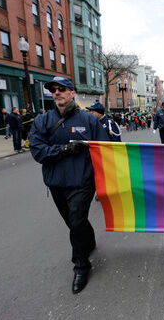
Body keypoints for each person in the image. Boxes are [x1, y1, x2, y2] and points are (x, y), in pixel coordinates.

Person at [29, 76, 109, 294]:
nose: (57, 92)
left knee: (76, 219)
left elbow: (105, 150)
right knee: (74, 221)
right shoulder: (42, 122)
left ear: (72, 93)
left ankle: (81, 265)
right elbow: (37, 151)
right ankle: (88, 240)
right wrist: (64, 149)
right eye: (53, 89)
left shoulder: (89, 121)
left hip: (82, 182)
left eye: (61, 89)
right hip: (56, 182)